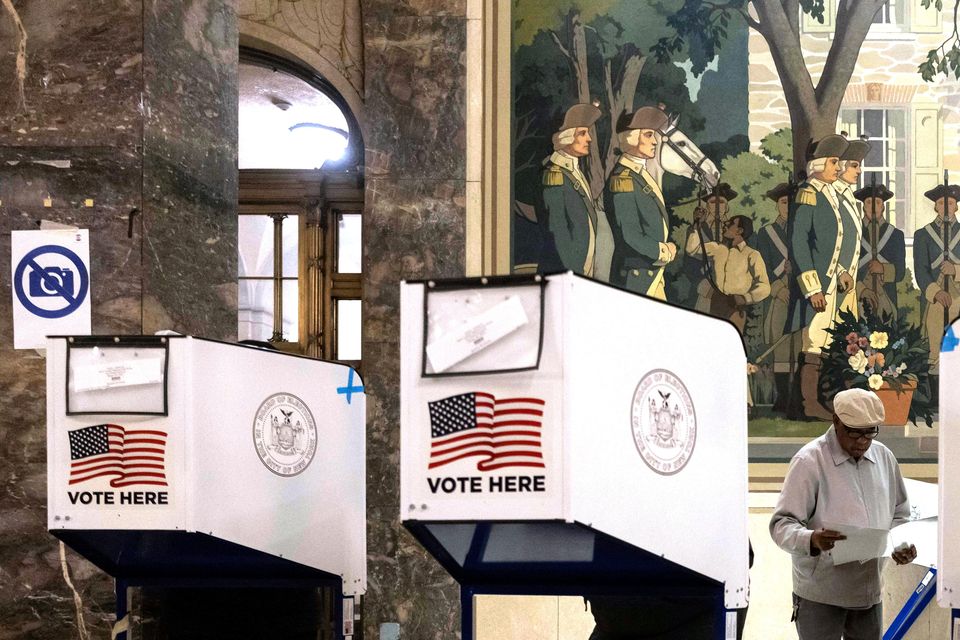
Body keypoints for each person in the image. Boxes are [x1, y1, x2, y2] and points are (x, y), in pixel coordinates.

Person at [770, 388, 917, 640]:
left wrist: (902, 545)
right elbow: (781, 524)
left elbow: (900, 515)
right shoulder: (809, 461)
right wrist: (811, 539)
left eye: (870, 432)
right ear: (836, 421)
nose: (862, 441)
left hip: (869, 593)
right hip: (820, 595)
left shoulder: (884, 457)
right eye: (854, 432)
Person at [785, 134, 851, 421]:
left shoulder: (828, 193)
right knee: (813, 343)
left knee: (827, 342)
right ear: (819, 164)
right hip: (815, 286)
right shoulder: (808, 193)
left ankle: (823, 400)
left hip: (831, 282)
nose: (838, 168)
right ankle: (809, 405)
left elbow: (828, 244)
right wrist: (812, 288)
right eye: (834, 162)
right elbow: (800, 243)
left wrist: (841, 271)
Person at [607, 106, 677, 301]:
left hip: (651, 278)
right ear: (631, 138)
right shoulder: (623, 180)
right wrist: (664, 251)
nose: (655, 141)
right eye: (648, 135)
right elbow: (630, 235)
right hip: (635, 281)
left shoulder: (640, 174)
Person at [539, 102, 615, 281]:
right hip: (567, 275)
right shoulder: (554, 175)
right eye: (582, 133)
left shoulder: (574, 171)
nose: (589, 138)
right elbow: (559, 234)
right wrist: (575, 275)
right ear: (564, 138)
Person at [912, 183, 960, 396]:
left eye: (950, 203)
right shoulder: (923, 235)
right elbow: (921, 270)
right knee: (935, 340)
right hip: (935, 298)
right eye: (942, 203)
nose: (946, 208)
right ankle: (935, 393)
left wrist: (955, 269)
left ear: (956, 207)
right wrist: (936, 292)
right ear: (935, 207)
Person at [685, 214, 770, 333]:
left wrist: (745, 298)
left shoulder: (752, 255)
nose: (724, 225)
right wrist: (696, 226)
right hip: (714, 302)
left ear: (739, 231)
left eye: (730, 224)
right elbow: (691, 249)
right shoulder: (718, 249)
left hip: (735, 306)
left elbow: (765, 286)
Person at [754, 182, 795, 412]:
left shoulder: (802, 231)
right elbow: (763, 266)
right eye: (783, 202)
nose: (787, 206)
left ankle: (796, 396)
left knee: (798, 343)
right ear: (777, 205)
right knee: (779, 342)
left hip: (799, 292)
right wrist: (779, 286)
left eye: (790, 202)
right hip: (777, 292)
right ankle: (782, 397)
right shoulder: (766, 233)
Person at [832, 137, 870, 320]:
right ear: (841, 165)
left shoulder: (850, 198)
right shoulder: (830, 196)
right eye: (854, 165)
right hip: (833, 281)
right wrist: (839, 270)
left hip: (849, 280)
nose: (859, 171)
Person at [855, 184, 905, 319]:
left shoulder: (895, 235)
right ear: (863, 206)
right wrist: (861, 289)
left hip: (886, 298)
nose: (873, 207)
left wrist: (882, 268)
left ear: (883, 206)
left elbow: (900, 272)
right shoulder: (853, 233)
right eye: (869, 202)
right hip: (858, 296)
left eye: (877, 202)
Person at [682, 183, 732, 308]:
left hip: (732, 288)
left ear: (726, 207)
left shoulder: (735, 229)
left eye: (720, 202)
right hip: (706, 289)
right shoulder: (696, 228)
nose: (716, 206)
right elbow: (688, 263)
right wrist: (704, 286)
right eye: (713, 202)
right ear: (707, 205)